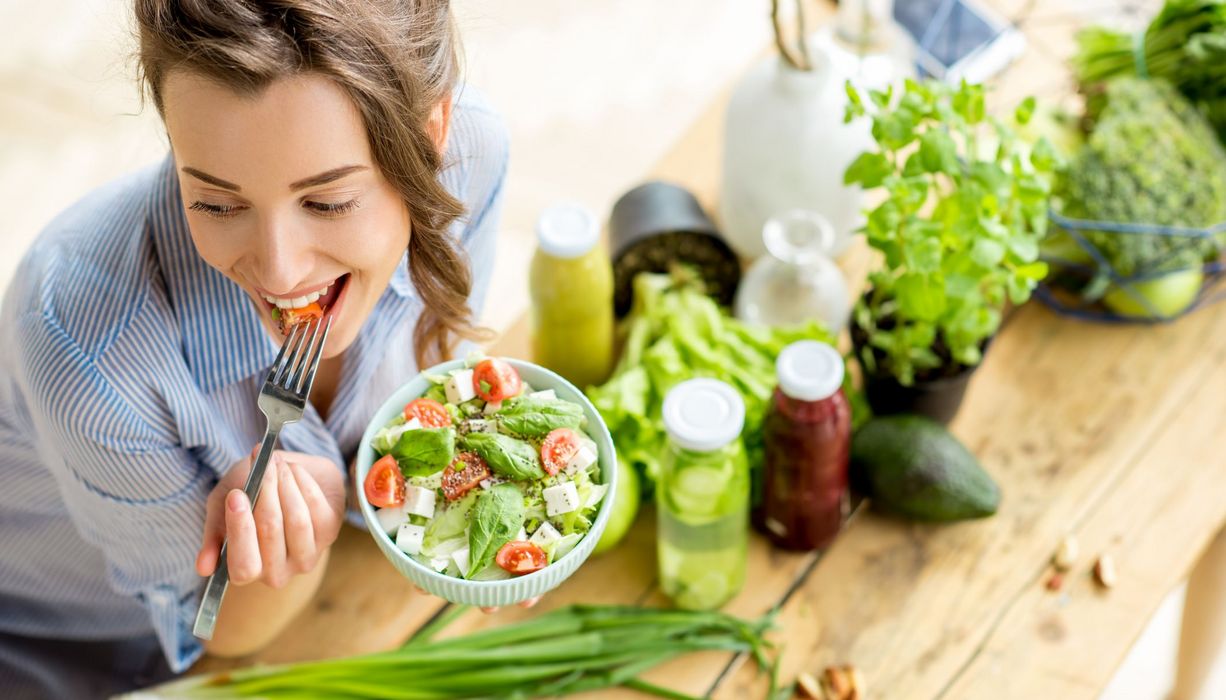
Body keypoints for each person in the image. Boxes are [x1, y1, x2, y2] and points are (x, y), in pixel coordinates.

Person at [0, 0, 509, 696]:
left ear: (431, 139)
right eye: (215, 203)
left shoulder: (472, 161)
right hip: (68, 650)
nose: (277, 271)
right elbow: (220, 630)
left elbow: (426, 404)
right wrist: (285, 537)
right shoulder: (81, 343)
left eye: (327, 203)